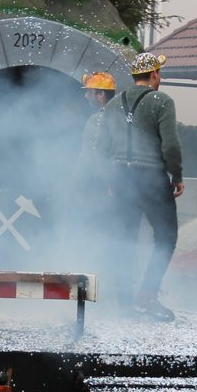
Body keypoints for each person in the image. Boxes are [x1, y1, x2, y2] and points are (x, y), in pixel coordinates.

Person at [98, 52, 184, 322]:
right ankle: (146, 296)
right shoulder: (162, 101)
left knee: (124, 239)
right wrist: (177, 175)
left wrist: (110, 180)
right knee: (166, 236)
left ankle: (124, 302)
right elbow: (170, 145)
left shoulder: (112, 104)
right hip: (151, 177)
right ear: (155, 74)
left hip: (121, 177)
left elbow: (101, 149)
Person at [77, 72, 118, 275]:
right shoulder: (122, 117)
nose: (86, 97)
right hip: (119, 188)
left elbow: (92, 156)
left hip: (97, 188)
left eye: (90, 93)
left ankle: (91, 272)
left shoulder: (97, 120)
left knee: (92, 233)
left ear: (101, 95)